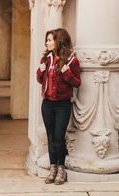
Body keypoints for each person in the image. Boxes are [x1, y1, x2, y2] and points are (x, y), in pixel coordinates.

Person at [36, 28, 81, 185]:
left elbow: (77, 82)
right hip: (47, 104)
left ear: (58, 41)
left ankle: (61, 169)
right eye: (46, 40)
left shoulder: (71, 61)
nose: (47, 42)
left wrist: (67, 72)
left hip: (62, 105)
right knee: (50, 137)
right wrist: (39, 72)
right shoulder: (46, 60)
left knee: (58, 138)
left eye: (50, 40)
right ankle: (53, 168)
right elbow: (41, 81)